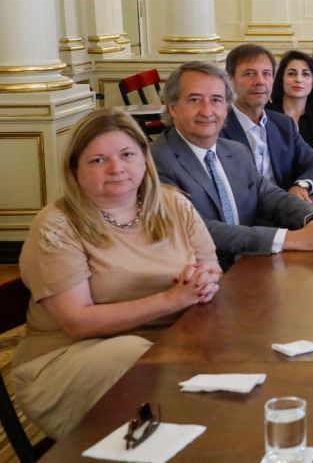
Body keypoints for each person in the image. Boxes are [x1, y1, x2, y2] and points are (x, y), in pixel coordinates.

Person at [12, 109, 221, 439]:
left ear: (143, 157)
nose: (116, 168)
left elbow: (211, 265)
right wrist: (171, 299)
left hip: (167, 344)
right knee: (140, 360)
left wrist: (203, 280)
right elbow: (77, 322)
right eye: (97, 160)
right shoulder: (57, 225)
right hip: (72, 358)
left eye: (127, 154)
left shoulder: (173, 204)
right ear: (74, 169)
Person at [150, 61, 313, 269]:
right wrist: (291, 239)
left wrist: (312, 220)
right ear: (173, 108)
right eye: (195, 100)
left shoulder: (235, 151)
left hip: (250, 266)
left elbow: (270, 196)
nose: (207, 111)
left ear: (226, 108)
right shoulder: (157, 160)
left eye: (216, 100)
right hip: (201, 276)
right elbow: (198, 229)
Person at [219, 44, 313, 203]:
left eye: (266, 74)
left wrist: (301, 186)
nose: (260, 81)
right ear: (229, 80)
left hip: (286, 213)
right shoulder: (216, 128)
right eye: (250, 74)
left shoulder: (283, 124)